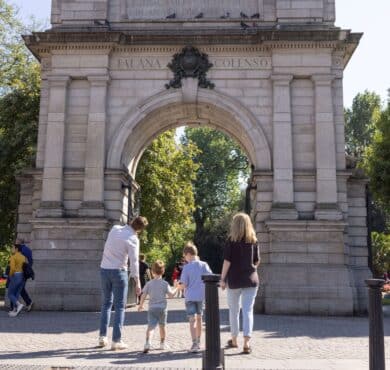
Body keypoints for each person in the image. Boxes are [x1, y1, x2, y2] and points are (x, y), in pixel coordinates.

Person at [98, 216, 148, 350]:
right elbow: (134, 261)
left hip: (104, 269)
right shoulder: (133, 239)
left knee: (106, 304)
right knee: (120, 306)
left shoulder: (114, 229)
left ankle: (102, 337)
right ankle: (116, 340)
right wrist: (138, 282)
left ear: (131, 222)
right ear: (140, 230)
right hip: (119, 272)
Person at [220, 212, 260, 354]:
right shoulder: (253, 241)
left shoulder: (231, 241)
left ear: (234, 225)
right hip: (251, 279)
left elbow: (227, 261)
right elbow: (257, 261)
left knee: (234, 311)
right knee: (248, 310)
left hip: (235, 280)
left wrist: (222, 279)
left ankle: (234, 340)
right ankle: (247, 343)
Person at [138, 260, 178, 353]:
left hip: (152, 308)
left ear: (152, 271)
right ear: (163, 271)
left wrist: (141, 305)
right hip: (162, 309)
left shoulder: (149, 283)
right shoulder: (165, 284)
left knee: (151, 327)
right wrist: (176, 288)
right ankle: (162, 343)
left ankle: (147, 343)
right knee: (162, 326)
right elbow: (171, 295)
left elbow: (143, 295)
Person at [179, 242, 212, 353]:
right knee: (199, 319)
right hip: (201, 296)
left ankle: (194, 344)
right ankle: (199, 342)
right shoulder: (204, 265)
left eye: (184, 256)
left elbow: (184, 285)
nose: (185, 259)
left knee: (192, 320)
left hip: (190, 297)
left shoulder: (186, 267)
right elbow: (210, 278)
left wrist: (176, 287)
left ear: (188, 254)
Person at [7, 243, 27, 317]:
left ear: (16, 249)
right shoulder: (23, 257)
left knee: (10, 294)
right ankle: (15, 310)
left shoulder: (13, 257)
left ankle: (19, 305)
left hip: (15, 275)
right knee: (16, 294)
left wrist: (10, 275)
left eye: (13, 248)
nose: (12, 249)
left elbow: (12, 268)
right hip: (22, 276)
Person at [15, 238, 34, 312]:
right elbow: (31, 261)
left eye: (16, 242)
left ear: (19, 243)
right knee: (20, 288)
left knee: (17, 288)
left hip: (21, 272)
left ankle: (16, 306)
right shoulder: (28, 249)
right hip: (26, 272)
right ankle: (28, 302)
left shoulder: (20, 250)